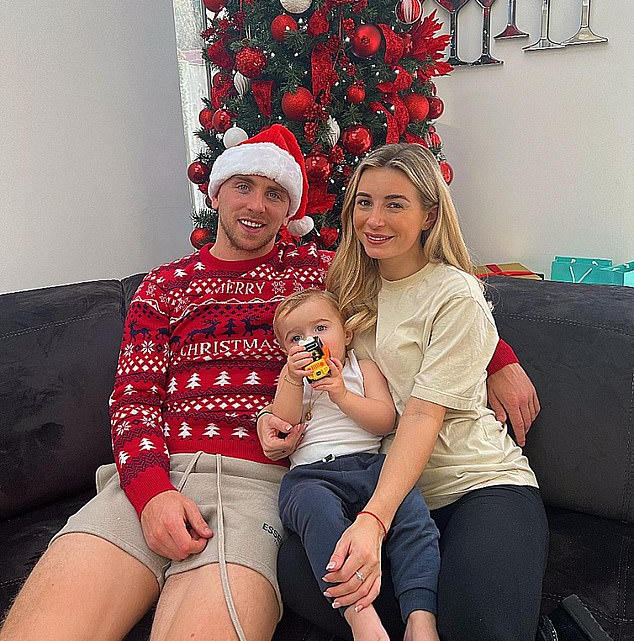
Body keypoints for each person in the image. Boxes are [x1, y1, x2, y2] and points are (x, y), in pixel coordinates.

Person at [1, 124, 538, 641]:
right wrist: (150, 491)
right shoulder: (164, 285)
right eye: (243, 187)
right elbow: (134, 399)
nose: (257, 205)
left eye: (275, 193)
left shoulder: (322, 273)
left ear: (290, 210)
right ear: (217, 193)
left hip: (259, 487)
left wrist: (500, 358)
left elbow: (429, 293)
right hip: (152, 478)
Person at [271, 143, 549, 641]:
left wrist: (373, 522)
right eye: (363, 201)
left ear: (429, 215)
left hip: (474, 486)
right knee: (296, 571)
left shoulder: (455, 294)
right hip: (387, 493)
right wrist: (279, 423)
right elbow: (300, 342)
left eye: (395, 204)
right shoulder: (347, 288)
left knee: (480, 627)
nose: (373, 219)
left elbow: (421, 414)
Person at [272, 289, 440, 641]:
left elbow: (385, 420)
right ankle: (359, 616)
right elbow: (282, 423)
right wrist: (291, 378)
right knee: (318, 517)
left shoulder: (361, 368)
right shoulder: (291, 379)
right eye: (296, 338)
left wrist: (341, 394)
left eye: (320, 328)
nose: (310, 342)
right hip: (311, 476)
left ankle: (420, 617)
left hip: (369, 465)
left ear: (346, 334)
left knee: (411, 513)